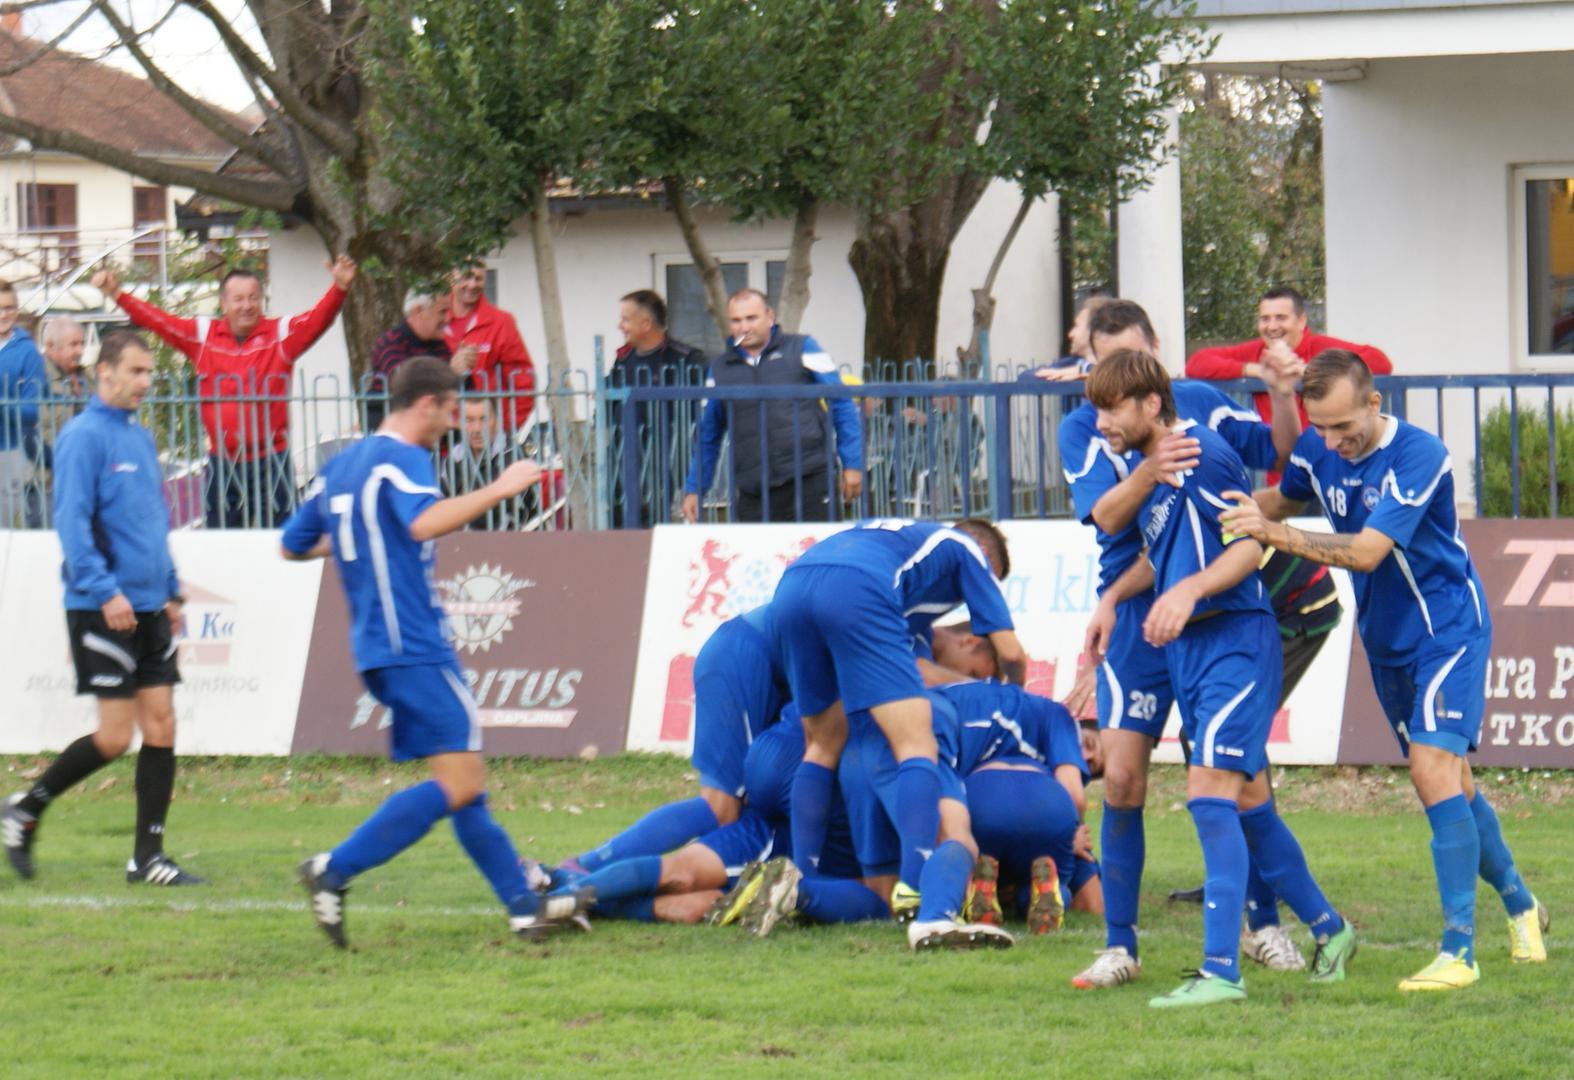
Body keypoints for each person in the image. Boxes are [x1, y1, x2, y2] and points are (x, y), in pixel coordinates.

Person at [1221, 349, 1549, 992]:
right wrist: (1210, 509)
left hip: (1447, 629)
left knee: (1431, 773)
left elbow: (1369, 551)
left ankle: (1459, 951)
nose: (1332, 441)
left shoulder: (1418, 454)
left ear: (1375, 403)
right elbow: (1279, 502)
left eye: (1344, 426)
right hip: (1386, 640)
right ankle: (1520, 905)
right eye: (1321, 427)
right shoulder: (1317, 450)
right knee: (1455, 785)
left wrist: (1272, 534)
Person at [280, 357, 589, 947]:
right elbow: (423, 524)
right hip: (414, 642)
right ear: (425, 404)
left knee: (463, 780)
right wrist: (499, 488)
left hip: (376, 646)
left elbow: (292, 546)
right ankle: (334, 868)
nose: (452, 423)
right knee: (462, 781)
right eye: (450, 411)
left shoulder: (342, 465)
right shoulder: (403, 458)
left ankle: (524, 908)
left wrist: (358, 537)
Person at [1085, 351, 1355, 1008]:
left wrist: (1190, 592)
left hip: (1234, 642)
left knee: (1209, 797)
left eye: (1112, 408)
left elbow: (1247, 545)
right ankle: (1331, 928)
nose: (1101, 424)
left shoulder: (1201, 454)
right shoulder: (1158, 468)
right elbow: (1152, 546)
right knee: (1248, 803)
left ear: (1151, 404)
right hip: (1193, 650)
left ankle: (1220, 971)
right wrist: (1119, 596)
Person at [1061, 300, 1307, 985]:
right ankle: (1121, 947)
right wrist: (1148, 472)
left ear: (1153, 355)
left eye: (1131, 358)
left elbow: (1279, 456)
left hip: (1212, 612)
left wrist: (1284, 394)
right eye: (1104, 360)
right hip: (1138, 613)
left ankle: (1264, 927)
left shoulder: (1200, 405)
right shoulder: (1086, 424)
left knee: (1238, 780)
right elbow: (1106, 516)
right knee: (1122, 777)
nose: (1118, 373)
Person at [3, 332, 202, 886]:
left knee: (161, 724)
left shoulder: (139, 437)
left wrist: (170, 590)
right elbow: (71, 522)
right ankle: (27, 808)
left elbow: (153, 521)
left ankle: (148, 859)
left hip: (149, 606)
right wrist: (105, 591)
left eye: (149, 373)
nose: (145, 382)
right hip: (102, 607)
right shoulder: (82, 437)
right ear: (104, 373)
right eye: (136, 372)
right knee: (115, 737)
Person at [773, 518, 1027, 928]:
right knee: (917, 742)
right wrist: (1015, 700)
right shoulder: (966, 550)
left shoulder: (908, 553)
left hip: (793, 584)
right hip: (859, 588)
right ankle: (913, 883)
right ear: (986, 559)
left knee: (822, 744)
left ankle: (801, 878)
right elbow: (1011, 653)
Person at [93, 258, 356, 529]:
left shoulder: (280, 334)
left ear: (262, 300)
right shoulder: (203, 335)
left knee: (282, 539)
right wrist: (117, 294)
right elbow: (159, 321)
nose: (246, 305)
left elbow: (317, 321)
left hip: (273, 460)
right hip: (223, 462)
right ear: (223, 304)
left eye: (253, 298)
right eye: (238, 299)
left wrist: (339, 288)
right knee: (220, 540)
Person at [681, 289, 864, 523]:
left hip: (810, 478)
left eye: (751, 318)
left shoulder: (804, 347)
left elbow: (842, 404)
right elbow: (708, 434)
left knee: (820, 548)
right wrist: (695, 488)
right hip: (753, 489)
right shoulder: (718, 369)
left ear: (770, 317)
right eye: (736, 320)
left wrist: (853, 463)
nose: (744, 327)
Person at [1185, 285, 1392, 434]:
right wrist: (1257, 370)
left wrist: (1310, 371)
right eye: (1265, 319)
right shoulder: (1256, 351)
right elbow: (1197, 363)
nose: (1272, 326)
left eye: (1281, 318)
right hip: (1280, 468)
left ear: (1301, 321)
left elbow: (1379, 361)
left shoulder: (1321, 346)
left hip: (1328, 457)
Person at [609, 289, 707, 526]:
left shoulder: (685, 359)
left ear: (646, 323)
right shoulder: (623, 359)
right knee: (619, 527)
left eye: (625, 320)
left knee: (658, 530)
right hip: (622, 460)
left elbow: (705, 408)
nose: (620, 326)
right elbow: (609, 403)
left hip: (668, 465)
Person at [444, 264, 536, 432]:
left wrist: (505, 427)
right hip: (441, 434)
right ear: (451, 279)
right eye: (466, 277)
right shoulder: (436, 318)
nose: (472, 284)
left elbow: (523, 381)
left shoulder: (501, 322)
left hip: (487, 434)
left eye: (478, 279)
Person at [23, 316, 93, 527]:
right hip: (46, 484)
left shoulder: (88, 379)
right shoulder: (33, 377)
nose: (80, 350)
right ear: (50, 346)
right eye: (73, 344)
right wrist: (62, 462)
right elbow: (27, 433)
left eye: (82, 343)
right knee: (48, 542)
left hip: (86, 483)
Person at [365, 290, 460, 430]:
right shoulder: (392, 342)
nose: (447, 319)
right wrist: (452, 371)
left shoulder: (439, 345)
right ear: (419, 311)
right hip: (395, 432)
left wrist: (464, 371)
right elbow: (405, 384)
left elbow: (461, 389)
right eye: (442, 312)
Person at [442, 394, 538, 531]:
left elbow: (511, 513)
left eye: (484, 419)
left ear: (497, 421)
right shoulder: (452, 460)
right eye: (469, 420)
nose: (477, 429)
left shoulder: (514, 457)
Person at [0, 279, 45, 527]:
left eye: (9, 307)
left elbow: (32, 410)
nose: (3, 315)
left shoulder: (28, 353)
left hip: (9, 451)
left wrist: (2, 406)